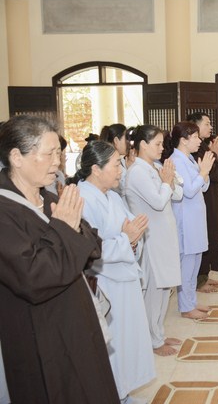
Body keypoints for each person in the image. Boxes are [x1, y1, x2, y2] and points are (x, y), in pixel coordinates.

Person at [0, 115, 119, 403]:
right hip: (40, 333)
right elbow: (33, 276)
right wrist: (65, 229)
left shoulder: (50, 199)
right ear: (16, 157)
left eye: (59, 153)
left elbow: (93, 246)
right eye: (49, 153)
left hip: (77, 319)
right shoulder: (5, 211)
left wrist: (70, 232)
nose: (58, 162)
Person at [73, 140, 155, 403]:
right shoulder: (82, 199)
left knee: (126, 343)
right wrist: (126, 240)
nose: (121, 170)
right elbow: (87, 250)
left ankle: (123, 393)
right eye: (115, 165)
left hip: (124, 280)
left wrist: (133, 240)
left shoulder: (113, 197)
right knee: (112, 345)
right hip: (104, 283)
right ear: (96, 169)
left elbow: (131, 231)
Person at [125, 125, 183, 356]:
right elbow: (158, 202)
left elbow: (176, 194)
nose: (161, 148)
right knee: (153, 290)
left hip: (163, 235)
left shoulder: (155, 167)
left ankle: (159, 333)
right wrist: (166, 183)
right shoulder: (137, 172)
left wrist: (169, 180)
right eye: (157, 144)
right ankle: (153, 340)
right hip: (150, 238)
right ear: (143, 145)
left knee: (164, 287)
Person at [163, 121, 215, 319]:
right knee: (187, 265)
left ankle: (191, 301)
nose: (199, 141)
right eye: (194, 137)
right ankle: (186, 307)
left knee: (195, 262)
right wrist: (203, 173)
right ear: (183, 140)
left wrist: (204, 173)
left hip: (196, 218)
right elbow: (189, 191)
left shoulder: (190, 159)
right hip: (186, 219)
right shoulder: (176, 161)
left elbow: (203, 187)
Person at [185, 112, 218, 292]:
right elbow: (214, 173)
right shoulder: (195, 150)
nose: (210, 127)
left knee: (209, 235)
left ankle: (204, 275)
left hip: (209, 195)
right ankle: (199, 280)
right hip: (203, 196)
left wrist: (214, 153)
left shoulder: (202, 146)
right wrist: (215, 153)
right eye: (207, 124)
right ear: (194, 126)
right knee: (204, 237)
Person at [99, 123, 129, 197]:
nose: (129, 142)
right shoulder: (108, 164)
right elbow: (124, 190)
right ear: (116, 141)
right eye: (126, 139)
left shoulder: (122, 161)